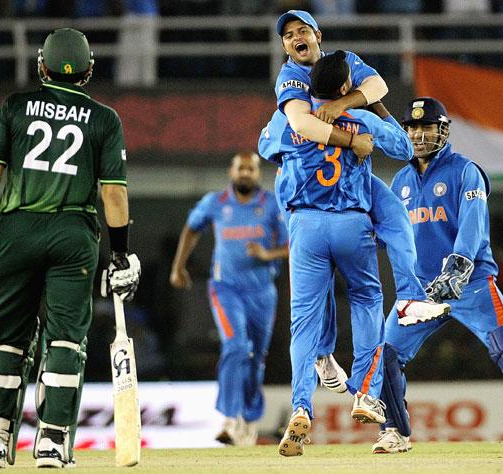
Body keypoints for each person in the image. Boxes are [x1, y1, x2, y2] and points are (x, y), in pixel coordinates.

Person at [0, 28, 141, 469]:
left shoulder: (14, 108)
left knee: (6, 340)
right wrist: (120, 254)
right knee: (65, 340)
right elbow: (113, 196)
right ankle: (53, 443)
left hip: (16, 230)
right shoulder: (104, 118)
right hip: (73, 236)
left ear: (41, 66)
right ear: (88, 71)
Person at [371, 96, 503, 454]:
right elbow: (391, 233)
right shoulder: (399, 179)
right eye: (412, 128)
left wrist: (459, 264)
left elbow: (473, 224)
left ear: (443, 130)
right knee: (383, 354)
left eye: (426, 127)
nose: (418, 135)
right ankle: (394, 431)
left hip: (470, 284)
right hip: (418, 291)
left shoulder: (465, 171)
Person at [273, 9, 450, 394]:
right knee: (367, 280)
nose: (296, 38)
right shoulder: (295, 82)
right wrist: (355, 129)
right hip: (330, 197)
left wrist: (341, 106)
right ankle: (354, 369)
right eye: (289, 35)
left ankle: (321, 365)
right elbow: (394, 135)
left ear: (318, 35)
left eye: (302, 30)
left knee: (315, 296)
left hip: (330, 196)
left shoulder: (335, 72)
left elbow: (372, 87)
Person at [268, 51, 421, 457]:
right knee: (368, 302)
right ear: (343, 89)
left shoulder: (287, 118)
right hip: (352, 221)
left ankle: (301, 405)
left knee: (304, 321)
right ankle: (366, 394)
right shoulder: (361, 118)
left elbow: (266, 146)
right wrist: (369, 103)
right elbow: (406, 148)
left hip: (305, 225)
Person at [169, 151, 288, 447]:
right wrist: (178, 266)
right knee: (236, 347)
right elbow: (191, 229)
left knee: (255, 358)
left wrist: (267, 254)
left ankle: (248, 418)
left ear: (258, 173)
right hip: (225, 289)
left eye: (251, 169)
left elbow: (292, 245)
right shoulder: (216, 203)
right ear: (231, 172)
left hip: (262, 292)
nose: (245, 173)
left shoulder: (271, 204)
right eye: (241, 168)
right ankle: (229, 417)